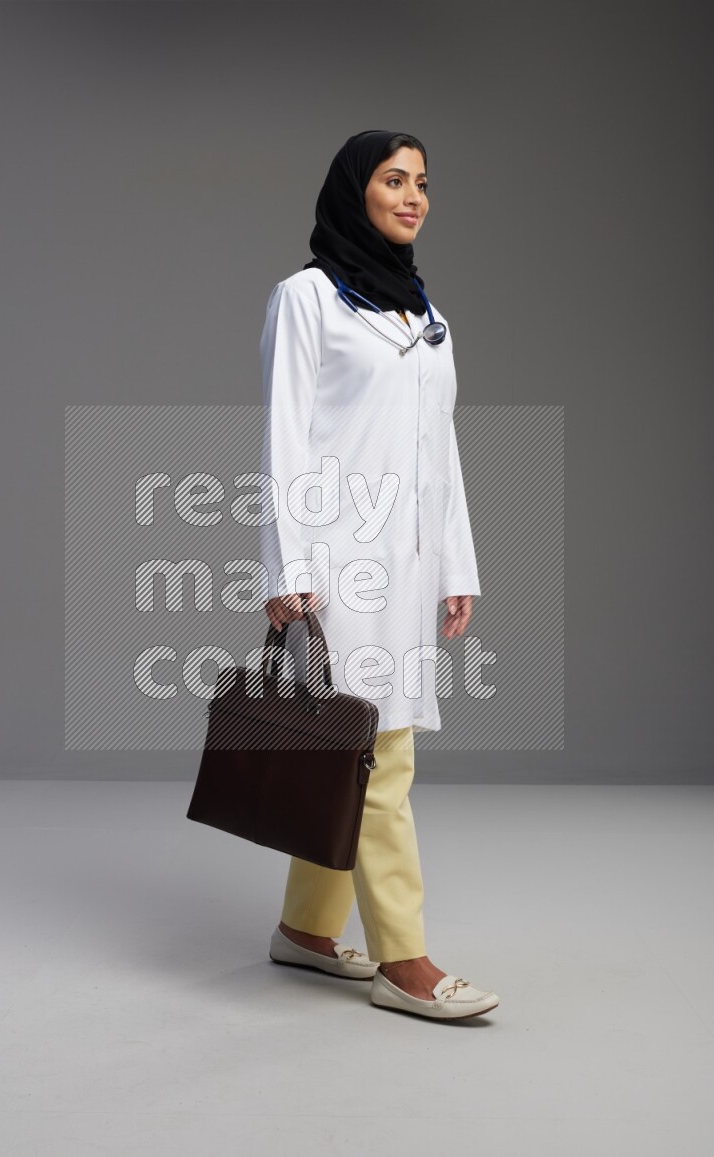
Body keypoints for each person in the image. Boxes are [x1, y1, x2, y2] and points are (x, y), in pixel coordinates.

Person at [259, 130, 499, 1021]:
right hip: (336, 565)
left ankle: (306, 931)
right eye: (394, 180)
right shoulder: (308, 300)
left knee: (346, 750)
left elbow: (444, 450)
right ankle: (408, 959)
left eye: (423, 183)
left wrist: (457, 563)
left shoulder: (424, 318)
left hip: (409, 564)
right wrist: (287, 566)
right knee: (378, 753)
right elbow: (284, 439)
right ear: (355, 191)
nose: (413, 196)